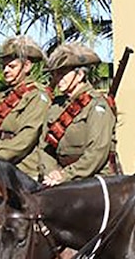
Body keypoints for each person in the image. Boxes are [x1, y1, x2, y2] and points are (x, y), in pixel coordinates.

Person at [34, 43, 118, 186]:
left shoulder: (96, 105)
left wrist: (65, 175)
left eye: (62, 73)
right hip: (59, 177)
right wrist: (51, 171)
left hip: (94, 179)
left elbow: (96, 153)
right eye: (54, 74)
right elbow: (44, 147)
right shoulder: (56, 106)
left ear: (79, 75)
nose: (57, 78)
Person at [0, 36, 50, 176]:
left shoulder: (37, 97)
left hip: (22, 170)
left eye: (11, 66)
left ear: (26, 66)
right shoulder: (2, 96)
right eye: (4, 66)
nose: (5, 70)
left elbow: (26, 139)